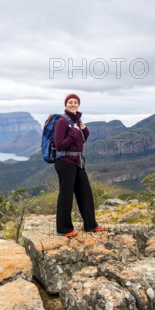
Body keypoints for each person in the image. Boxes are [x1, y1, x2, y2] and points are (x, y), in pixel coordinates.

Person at [54, 93, 106, 237]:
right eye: (70, 102)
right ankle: (63, 229)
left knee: (85, 193)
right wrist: (73, 132)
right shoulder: (62, 121)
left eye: (76, 102)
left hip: (78, 162)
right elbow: (59, 145)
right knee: (66, 195)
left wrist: (83, 129)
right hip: (65, 162)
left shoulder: (76, 120)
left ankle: (90, 224)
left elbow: (80, 141)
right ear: (65, 104)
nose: (73, 104)